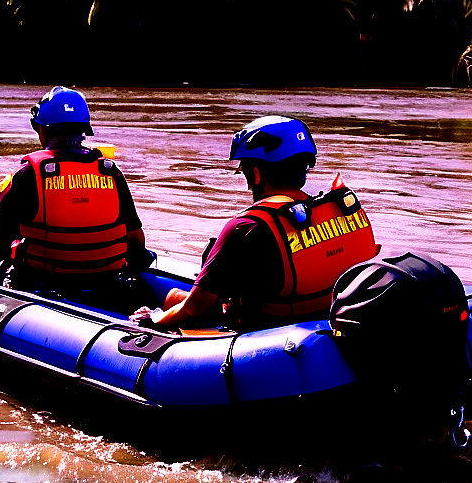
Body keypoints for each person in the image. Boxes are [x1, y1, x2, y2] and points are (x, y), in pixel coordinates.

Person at [130, 115, 380, 332]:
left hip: (266, 337)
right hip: (327, 322)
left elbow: (195, 309)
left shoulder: (247, 227)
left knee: (174, 303)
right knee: (175, 296)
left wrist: (154, 319)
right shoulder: (338, 209)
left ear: (257, 173)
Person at [0, 86, 149, 304]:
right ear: (84, 130)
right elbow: (136, 241)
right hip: (110, 288)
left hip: (44, 290)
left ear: (42, 129)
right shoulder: (111, 173)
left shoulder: (26, 176)